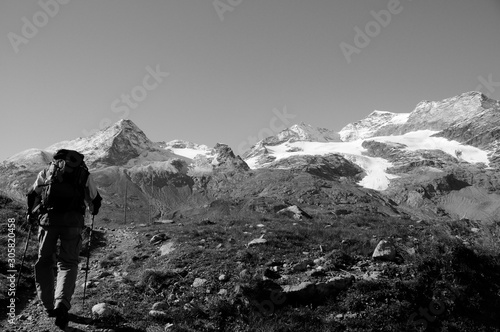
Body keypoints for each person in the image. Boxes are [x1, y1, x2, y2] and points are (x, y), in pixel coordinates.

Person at [26, 149, 102, 330]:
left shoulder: (47, 171)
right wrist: (92, 211)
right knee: (68, 263)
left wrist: (30, 214)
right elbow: (95, 200)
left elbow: (32, 194)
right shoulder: (83, 174)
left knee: (44, 262)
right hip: (73, 224)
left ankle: (48, 305)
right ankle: (62, 303)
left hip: (48, 222)